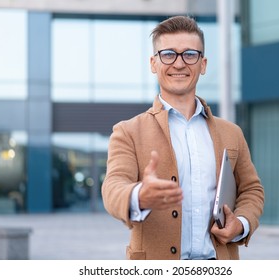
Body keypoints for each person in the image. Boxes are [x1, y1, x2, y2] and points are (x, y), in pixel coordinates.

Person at [101, 15, 264, 260]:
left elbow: (252, 189)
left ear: (203, 64)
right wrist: (139, 196)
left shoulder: (232, 132)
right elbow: (113, 188)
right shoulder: (127, 131)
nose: (179, 64)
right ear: (153, 63)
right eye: (168, 54)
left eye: (190, 54)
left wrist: (240, 224)